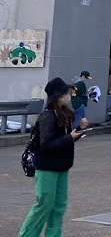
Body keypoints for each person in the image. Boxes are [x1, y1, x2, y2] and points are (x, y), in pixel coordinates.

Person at [18, 77, 86, 237]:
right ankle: (26, 234)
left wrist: (80, 129)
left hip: (61, 166)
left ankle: (53, 235)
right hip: (47, 167)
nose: (68, 95)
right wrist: (70, 137)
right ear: (57, 96)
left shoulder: (63, 113)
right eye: (65, 93)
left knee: (58, 206)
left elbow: (63, 136)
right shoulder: (48, 116)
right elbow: (46, 144)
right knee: (44, 205)